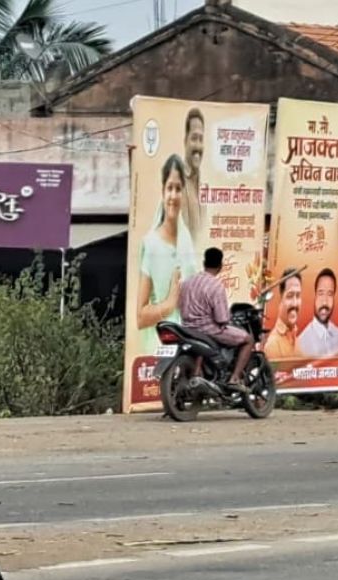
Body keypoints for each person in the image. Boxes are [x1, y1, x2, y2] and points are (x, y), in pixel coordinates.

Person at [135, 154, 198, 354]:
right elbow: (140, 317)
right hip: (159, 349)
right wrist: (169, 304)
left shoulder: (186, 240)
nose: (173, 196)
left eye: (178, 189)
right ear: (163, 192)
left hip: (188, 346)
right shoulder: (151, 244)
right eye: (169, 188)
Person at [179, 247, 253, 390]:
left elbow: (180, 306)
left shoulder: (187, 282)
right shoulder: (216, 285)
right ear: (221, 266)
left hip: (187, 329)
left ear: (204, 262)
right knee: (248, 340)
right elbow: (222, 319)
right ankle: (235, 378)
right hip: (208, 330)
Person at [297, 268, 338, 356]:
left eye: (330, 294)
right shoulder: (301, 344)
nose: (325, 302)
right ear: (314, 296)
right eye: (321, 293)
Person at [264, 269, 303, 359]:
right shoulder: (273, 345)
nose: (295, 303)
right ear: (280, 300)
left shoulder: (297, 341)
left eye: (298, 296)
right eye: (289, 296)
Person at [182, 108, 205, 238]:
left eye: (201, 139)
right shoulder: (175, 185)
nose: (198, 146)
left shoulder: (205, 190)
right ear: (185, 141)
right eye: (194, 138)